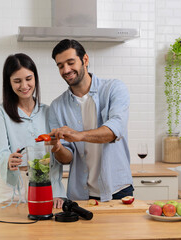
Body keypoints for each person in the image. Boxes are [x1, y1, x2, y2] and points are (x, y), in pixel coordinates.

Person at [48, 39, 133, 202]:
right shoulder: (57, 106)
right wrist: (57, 147)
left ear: (85, 60)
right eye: (60, 66)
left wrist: (78, 135)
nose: (66, 70)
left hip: (118, 190)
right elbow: (67, 158)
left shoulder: (114, 89)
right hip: (80, 194)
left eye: (70, 62)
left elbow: (115, 130)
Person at [0, 53, 65, 208]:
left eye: (28, 79)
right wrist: (7, 159)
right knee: (10, 231)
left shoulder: (49, 111)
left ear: (35, 78)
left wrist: (56, 191)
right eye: (17, 81)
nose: (24, 86)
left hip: (45, 185)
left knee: (46, 232)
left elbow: (55, 159)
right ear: (9, 83)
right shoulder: (0, 113)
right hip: (12, 188)